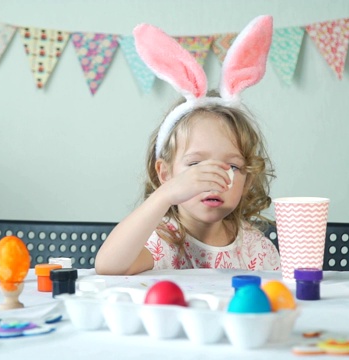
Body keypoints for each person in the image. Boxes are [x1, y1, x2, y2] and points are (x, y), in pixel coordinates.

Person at [95, 15, 280, 275]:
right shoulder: (162, 241)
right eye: (195, 164)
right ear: (166, 174)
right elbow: (108, 267)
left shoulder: (255, 249)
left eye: (233, 166)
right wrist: (165, 195)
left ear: (247, 180)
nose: (212, 178)